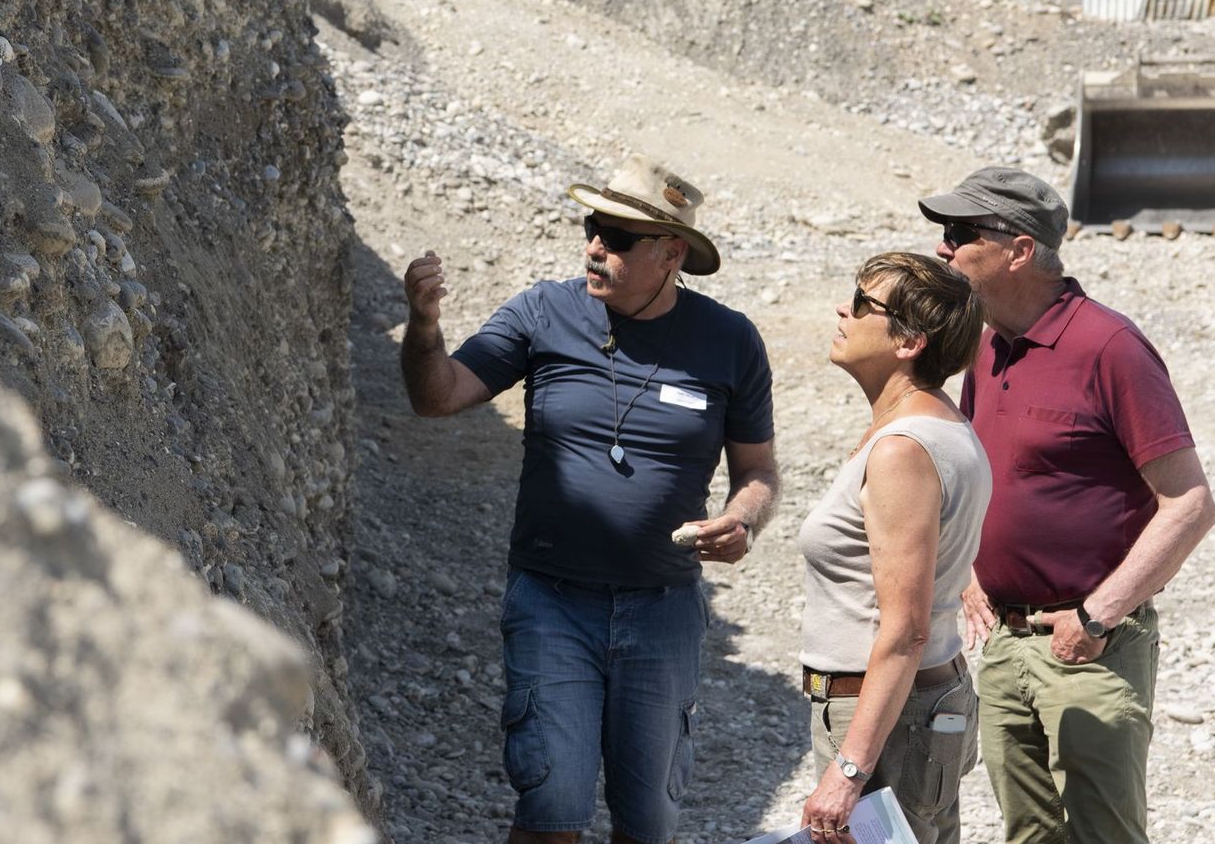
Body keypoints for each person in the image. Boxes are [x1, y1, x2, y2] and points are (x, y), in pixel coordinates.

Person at [400, 158, 779, 844]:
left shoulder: (729, 341)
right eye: (591, 227)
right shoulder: (541, 311)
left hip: (663, 613)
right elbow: (438, 396)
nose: (594, 246)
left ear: (671, 253)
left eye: (616, 235)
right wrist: (423, 325)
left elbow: (758, 472)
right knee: (552, 814)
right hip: (553, 603)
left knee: (647, 823)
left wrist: (742, 521)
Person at [918, 167, 1215, 844]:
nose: (943, 248)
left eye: (961, 234)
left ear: (1019, 251)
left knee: (1102, 835)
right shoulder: (989, 342)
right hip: (1005, 644)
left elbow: (1190, 505)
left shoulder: (1109, 347)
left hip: (1090, 647)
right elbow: (982, 469)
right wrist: (969, 573)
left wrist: (1096, 615)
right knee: (1028, 834)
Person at [798, 253, 991, 844]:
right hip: (914, 712)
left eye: (861, 303)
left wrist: (849, 770)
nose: (843, 309)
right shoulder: (938, 427)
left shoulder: (903, 449)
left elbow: (904, 628)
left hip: (883, 719)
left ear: (909, 341)